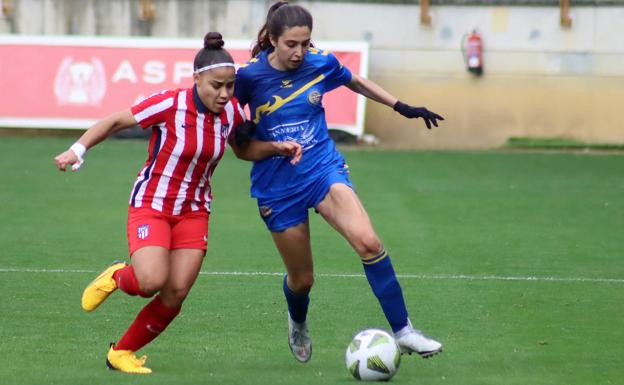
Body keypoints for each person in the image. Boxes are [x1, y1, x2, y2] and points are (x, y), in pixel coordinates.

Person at [54, 32, 301, 374]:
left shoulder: (230, 112)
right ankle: (117, 276)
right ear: (197, 78)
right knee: (150, 281)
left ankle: (121, 352)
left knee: (176, 292)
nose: (225, 93)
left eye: (230, 86)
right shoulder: (170, 104)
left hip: (195, 210)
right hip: (152, 204)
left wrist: (277, 148)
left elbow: (243, 149)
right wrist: (76, 150)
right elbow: (114, 121)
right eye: (217, 85)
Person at [231, 1, 444, 363]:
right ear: (272, 39)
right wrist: (260, 141)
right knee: (302, 280)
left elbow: (355, 80)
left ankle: (404, 331)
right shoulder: (247, 79)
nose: (300, 52)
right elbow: (240, 149)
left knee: (369, 242)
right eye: (291, 45)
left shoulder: (321, 62)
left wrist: (401, 106)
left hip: (321, 168)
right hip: (277, 186)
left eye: (306, 43)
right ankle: (297, 320)